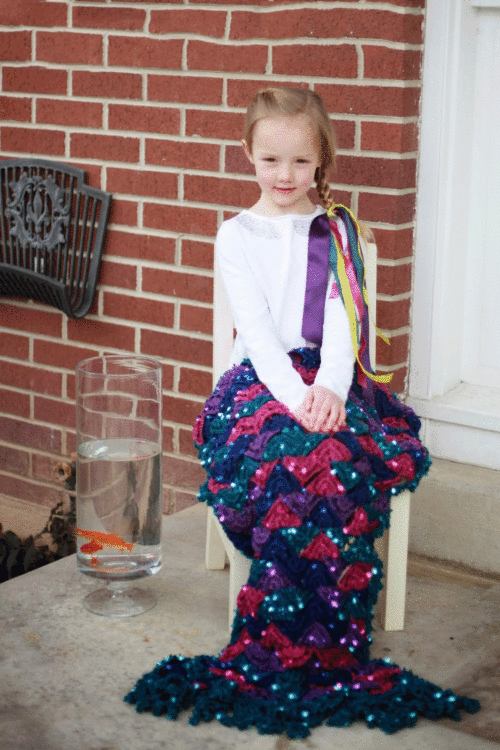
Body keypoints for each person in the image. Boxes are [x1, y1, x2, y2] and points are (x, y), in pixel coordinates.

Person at [125, 87, 479, 737]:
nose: (283, 176)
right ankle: (283, 635)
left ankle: (329, 642)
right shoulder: (236, 236)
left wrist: (334, 393)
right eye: (270, 160)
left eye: (298, 162)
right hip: (258, 382)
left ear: (321, 162)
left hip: (332, 378)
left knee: (335, 459)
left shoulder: (337, 230)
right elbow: (256, 336)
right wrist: (296, 399)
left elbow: (345, 326)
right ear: (247, 155)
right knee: (286, 459)